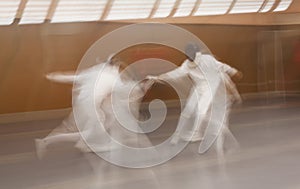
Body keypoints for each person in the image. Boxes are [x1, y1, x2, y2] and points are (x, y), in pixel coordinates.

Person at [35, 55, 152, 159]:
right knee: (93, 131)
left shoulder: (94, 71)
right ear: (116, 66)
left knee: (81, 127)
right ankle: (46, 142)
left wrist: (54, 76)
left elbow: (74, 77)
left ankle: (83, 144)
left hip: (80, 102)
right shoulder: (113, 77)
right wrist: (142, 87)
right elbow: (125, 89)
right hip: (91, 106)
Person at [147, 43, 242, 155]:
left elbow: (223, 67)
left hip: (209, 87)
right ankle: (180, 135)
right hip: (198, 87)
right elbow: (176, 74)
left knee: (201, 112)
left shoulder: (208, 60)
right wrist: (158, 77)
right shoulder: (187, 64)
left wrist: (233, 71)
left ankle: (198, 133)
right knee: (188, 111)